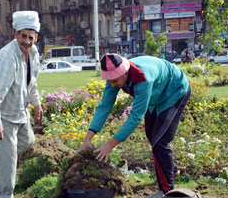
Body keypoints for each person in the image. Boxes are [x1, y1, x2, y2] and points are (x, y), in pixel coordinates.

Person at [78, 53, 190, 198]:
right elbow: (104, 106)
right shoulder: (114, 77)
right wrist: (87, 139)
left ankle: (166, 190)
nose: (112, 85)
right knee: (151, 134)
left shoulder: (142, 78)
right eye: (109, 81)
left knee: (160, 141)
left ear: (124, 71)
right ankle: (171, 169)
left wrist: (110, 144)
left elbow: (136, 116)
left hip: (174, 90)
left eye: (115, 81)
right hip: (157, 96)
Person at [0, 11, 43, 198]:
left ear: (36, 38)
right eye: (23, 36)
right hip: (4, 115)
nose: (27, 41)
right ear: (16, 35)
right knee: (10, 160)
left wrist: (37, 104)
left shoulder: (33, 53)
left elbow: (32, 83)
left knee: (28, 141)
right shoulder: (7, 57)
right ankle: (5, 195)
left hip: (20, 112)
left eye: (30, 37)